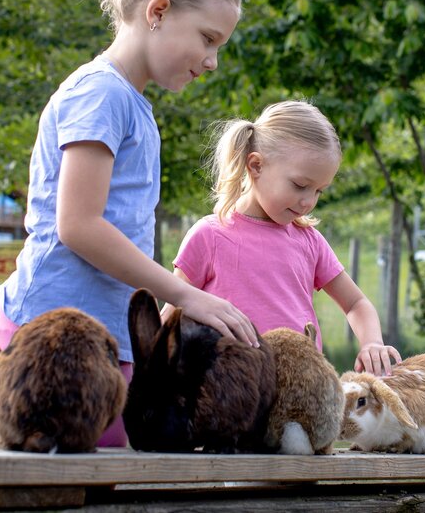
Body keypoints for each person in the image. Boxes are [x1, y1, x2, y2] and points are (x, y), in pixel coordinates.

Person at [0, 0, 259, 448]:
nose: (212, 62)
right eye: (208, 39)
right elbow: (79, 225)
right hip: (54, 335)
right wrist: (186, 295)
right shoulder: (101, 93)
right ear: (158, 11)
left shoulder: (132, 105)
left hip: (102, 333)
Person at [171, 100, 402, 376]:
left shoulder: (309, 241)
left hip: (300, 391)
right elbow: (170, 317)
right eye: (300, 186)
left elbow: (356, 303)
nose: (308, 202)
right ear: (255, 165)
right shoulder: (209, 236)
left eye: (319, 191)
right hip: (230, 396)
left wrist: (372, 342)